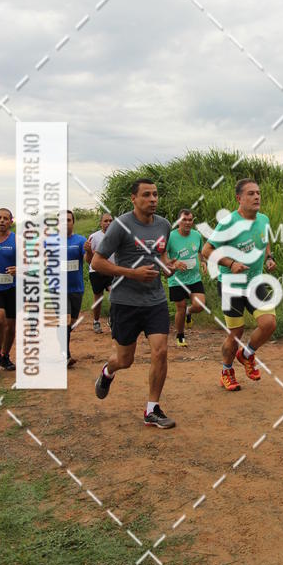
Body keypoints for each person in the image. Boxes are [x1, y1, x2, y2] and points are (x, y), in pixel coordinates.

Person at [91, 178, 186, 428]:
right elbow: (97, 262)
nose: (153, 199)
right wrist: (132, 273)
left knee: (161, 351)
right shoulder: (121, 225)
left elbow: (160, 255)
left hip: (155, 300)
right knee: (125, 360)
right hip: (125, 301)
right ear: (133, 198)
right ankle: (108, 372)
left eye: (155, 194)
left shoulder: (164, 225)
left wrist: (169, 266)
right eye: (146, 195)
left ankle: (152, 409)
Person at [201, 178, 276, 391]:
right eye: (251, 193)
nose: (257, 196)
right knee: (236, 333)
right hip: (231, 285)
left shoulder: (263, 219)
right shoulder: (228, 223)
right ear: (239, 198)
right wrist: (231, 263)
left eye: (258, 193)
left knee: (269, 324)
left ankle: (246, 354)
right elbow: (207, 251)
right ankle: (226, 371)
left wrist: (269, 257)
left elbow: (265, 240)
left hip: (254, 282)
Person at [166, 208, 207, 348]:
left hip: (194, 278)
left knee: (199, 305)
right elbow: (163, 256)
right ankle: (180, 336)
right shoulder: (170, 237)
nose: (188, 222)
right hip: (176, 279)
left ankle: (189, 312)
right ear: (179, 221)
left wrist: (203, 262)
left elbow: (200, 252)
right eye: (184, 220)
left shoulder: (197, 235)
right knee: (180, 308)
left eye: (190, 220)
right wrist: (174, 263)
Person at [85, 212, 114, 333]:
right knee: (98, 298)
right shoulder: (94, 237)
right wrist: (88, 251)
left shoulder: (117, 235)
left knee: (115, 295)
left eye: (110, 221)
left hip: (112, 270)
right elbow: (88, 260)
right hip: (96, 271)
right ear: (100, 223)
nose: (108, 223)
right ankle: (96, 321)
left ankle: (112, 319)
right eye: (105, 221)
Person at [66, 210, 86, 368]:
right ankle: (65, 355)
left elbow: (88, 260)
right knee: (65, 320)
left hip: (76, 288)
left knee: (72, 322)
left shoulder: (80, 240)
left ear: (73, 222)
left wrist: (90, 251)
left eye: (68, 220)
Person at [0, 207, 16, 371]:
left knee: (11, 327)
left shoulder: (16, 240)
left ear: (11, 221)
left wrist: (19, 269)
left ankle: (5, 356)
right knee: (0, 318)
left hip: (12, 288)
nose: (2, 221)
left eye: (5, 218)